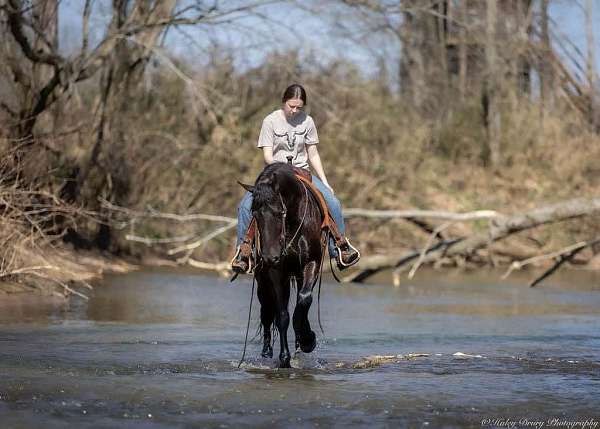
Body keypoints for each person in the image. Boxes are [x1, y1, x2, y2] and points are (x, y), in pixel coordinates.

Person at [231, 84, 360, 273]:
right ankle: (244, 252)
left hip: (302, 172)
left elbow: (313, 153)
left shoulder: (308, 122)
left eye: (299, 107)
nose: (295, 110)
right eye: (291, 106)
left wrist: (325, 182)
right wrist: (282, 168)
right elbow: (267, 155)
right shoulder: (270, 121)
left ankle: (340, 248)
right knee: (245, 206)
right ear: (284, 101)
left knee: (333, 202)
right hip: (275, 173)